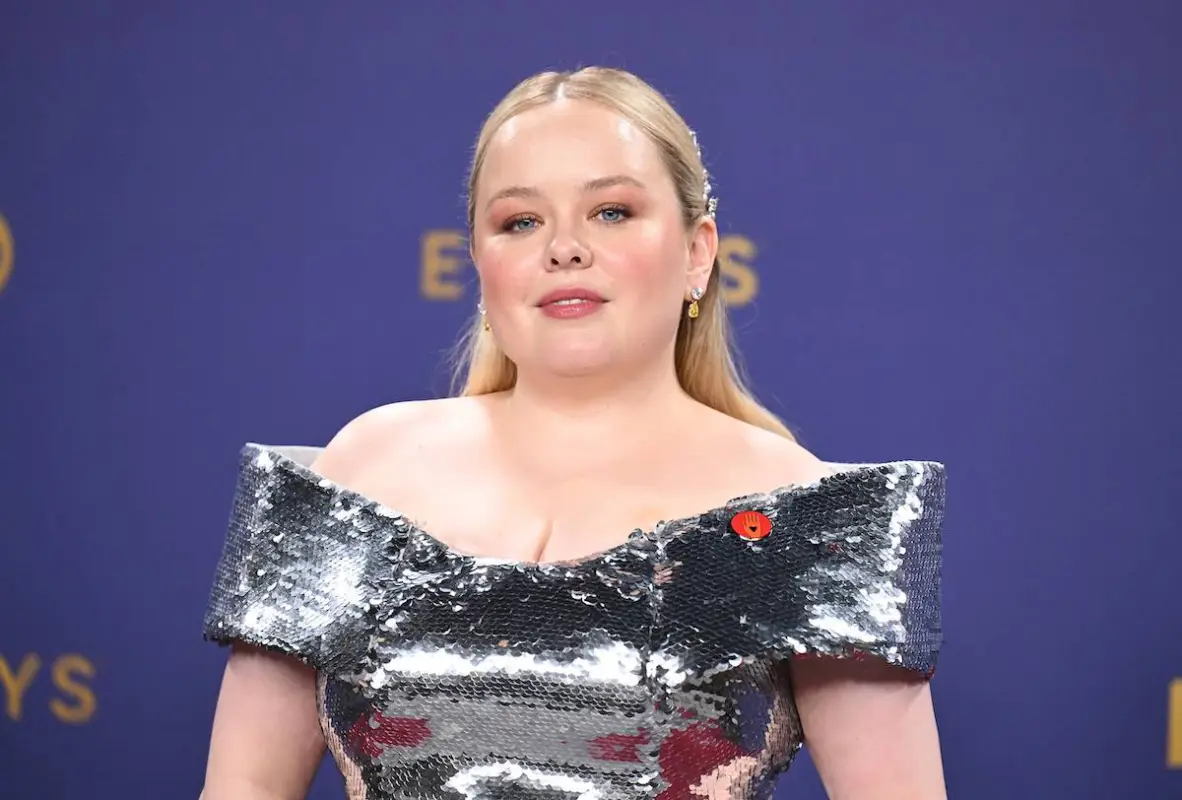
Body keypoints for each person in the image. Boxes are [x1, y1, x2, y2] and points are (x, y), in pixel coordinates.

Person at [199, 66, 948, 800]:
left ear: (698, 252)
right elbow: (244, 788)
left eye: (611, 212)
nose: (564, 248)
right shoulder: (360, 471)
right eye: (520, 221)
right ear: (481, 264)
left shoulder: (801, 514)